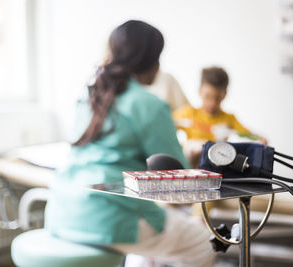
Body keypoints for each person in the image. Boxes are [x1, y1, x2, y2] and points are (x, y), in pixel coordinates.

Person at [45, 20, 215, 267]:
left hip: (63, 212)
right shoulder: (148, 104)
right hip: (109, 219)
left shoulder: (89, 95)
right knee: (202, 243)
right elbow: (179, 186)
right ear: (152, 61)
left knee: (150, 233)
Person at [173, 66, 266, 166]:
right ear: (200, 91)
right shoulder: (188, 113)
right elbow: (166, 127)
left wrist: (260, 139)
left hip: (218, 168)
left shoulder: (229, 119)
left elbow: (252, 137)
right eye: (207, 96)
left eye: (217, 98)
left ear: (224, 94)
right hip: (192, 167)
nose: (212, 103)